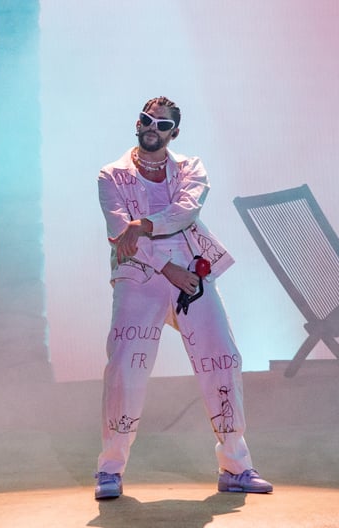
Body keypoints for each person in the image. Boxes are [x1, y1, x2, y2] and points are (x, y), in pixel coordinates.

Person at [94, 96, 272, 499]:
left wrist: (145, 225)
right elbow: (121, 235)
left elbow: (185, 212)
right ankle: (109, 469)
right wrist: (164, 265)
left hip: (192, 270)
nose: (151, 128)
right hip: (140, 275)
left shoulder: (191, 168)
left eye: (161, 124)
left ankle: (235, 466)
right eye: (145, 120)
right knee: (124, 368)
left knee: (223, 356)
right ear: (137, 124)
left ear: (174, 131)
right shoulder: (111, 175)